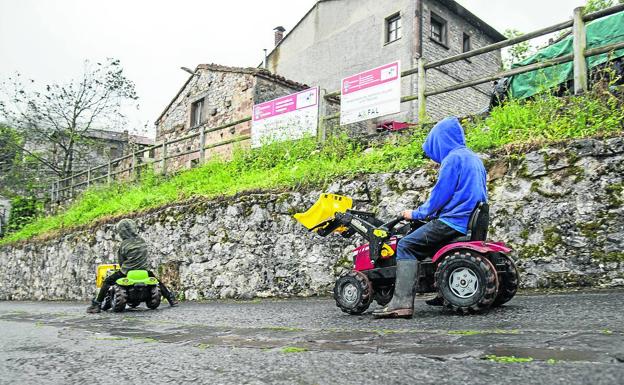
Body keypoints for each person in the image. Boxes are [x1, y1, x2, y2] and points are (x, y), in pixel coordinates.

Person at [373, 117, 487, 319]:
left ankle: (400, 304)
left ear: (440, 141)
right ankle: (444, 293)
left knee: (406, 245)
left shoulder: (453, 159)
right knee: (431, 249)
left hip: (452, 222)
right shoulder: (473, 158)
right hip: (470, 220)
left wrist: (416, 213)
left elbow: (440, 195)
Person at [87, 218, 178, 313]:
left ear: (122, 232)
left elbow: (121, 262)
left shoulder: (124, 245)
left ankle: (96, 304)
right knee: (158, 282)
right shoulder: (142, 241)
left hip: (127, 271)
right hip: (144, 270)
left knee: (107, 281)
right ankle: (171, 298)